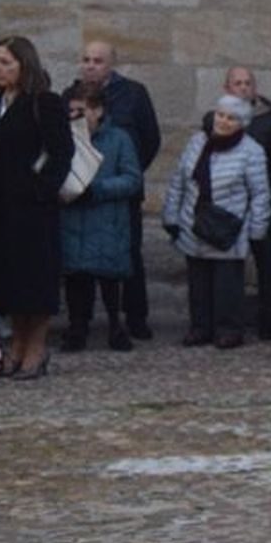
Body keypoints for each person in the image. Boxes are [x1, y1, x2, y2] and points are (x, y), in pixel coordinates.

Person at [0, 37, 74, 379]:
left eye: (7, 62)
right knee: (9, 282)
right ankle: (15, 346)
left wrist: (41, 190)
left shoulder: (43, 102)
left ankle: (35, 348)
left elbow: (61, 152)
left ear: (24, 65)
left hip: (31, 209)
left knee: (32, 282)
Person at [160, 95, 271, 350]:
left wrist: (258, 229)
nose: (223, 121)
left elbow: (260, 193)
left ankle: (229, 329)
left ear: (241, 123)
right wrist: (172, 214)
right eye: (221, 115)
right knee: (198, 281)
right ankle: (200, 327)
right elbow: (180, 180)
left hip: (227, 225)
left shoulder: (251, 151)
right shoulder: (198, 142)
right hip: (194, 220)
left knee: (227, 284)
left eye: (231, 118)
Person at [78, 40, 161, 340]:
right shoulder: (71, 96)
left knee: (129, 255)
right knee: (80, 258)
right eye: (86, 59)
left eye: (97, 60)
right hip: (83, 192)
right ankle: (81, 321)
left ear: (111, 63)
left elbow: (150, 139)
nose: (90, 65)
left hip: (121, 192)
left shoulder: (133, 94)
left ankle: (135, 317)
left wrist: (129, 171)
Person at [202, 67, 271, 339]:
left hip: (257, 203)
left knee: (267, 263)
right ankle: (219, 323)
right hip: (224, 205)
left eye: (247, 83)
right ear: (227, 88)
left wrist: (262, 186)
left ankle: (268, 323)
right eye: (237, 83)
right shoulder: (212, 120)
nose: (242, 87)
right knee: (220, 263)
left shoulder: (270, 122)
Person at [59, 82, 144, 353]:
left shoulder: (118, 139)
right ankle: (77, 328)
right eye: (71, 111)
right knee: (76, 281)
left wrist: (98, 190)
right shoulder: (66, 137)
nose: (75, 117)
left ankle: (115, 327)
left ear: (98, 111)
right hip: (74, 220)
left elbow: (132, 178)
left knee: (110, 282)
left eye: (81, 111)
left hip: (107, 220)